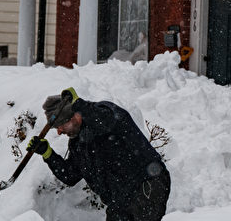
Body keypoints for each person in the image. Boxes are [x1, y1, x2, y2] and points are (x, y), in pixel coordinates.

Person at [27, 88, 170, 221]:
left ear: (74, 117)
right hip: (119, 200)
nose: (59, 131)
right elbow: (70, 176)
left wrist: (78, 104)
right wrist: (47, 153)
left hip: (146, 184)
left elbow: (105, 122)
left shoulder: (106, 112)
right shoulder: (78, 143)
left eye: (60, 126)